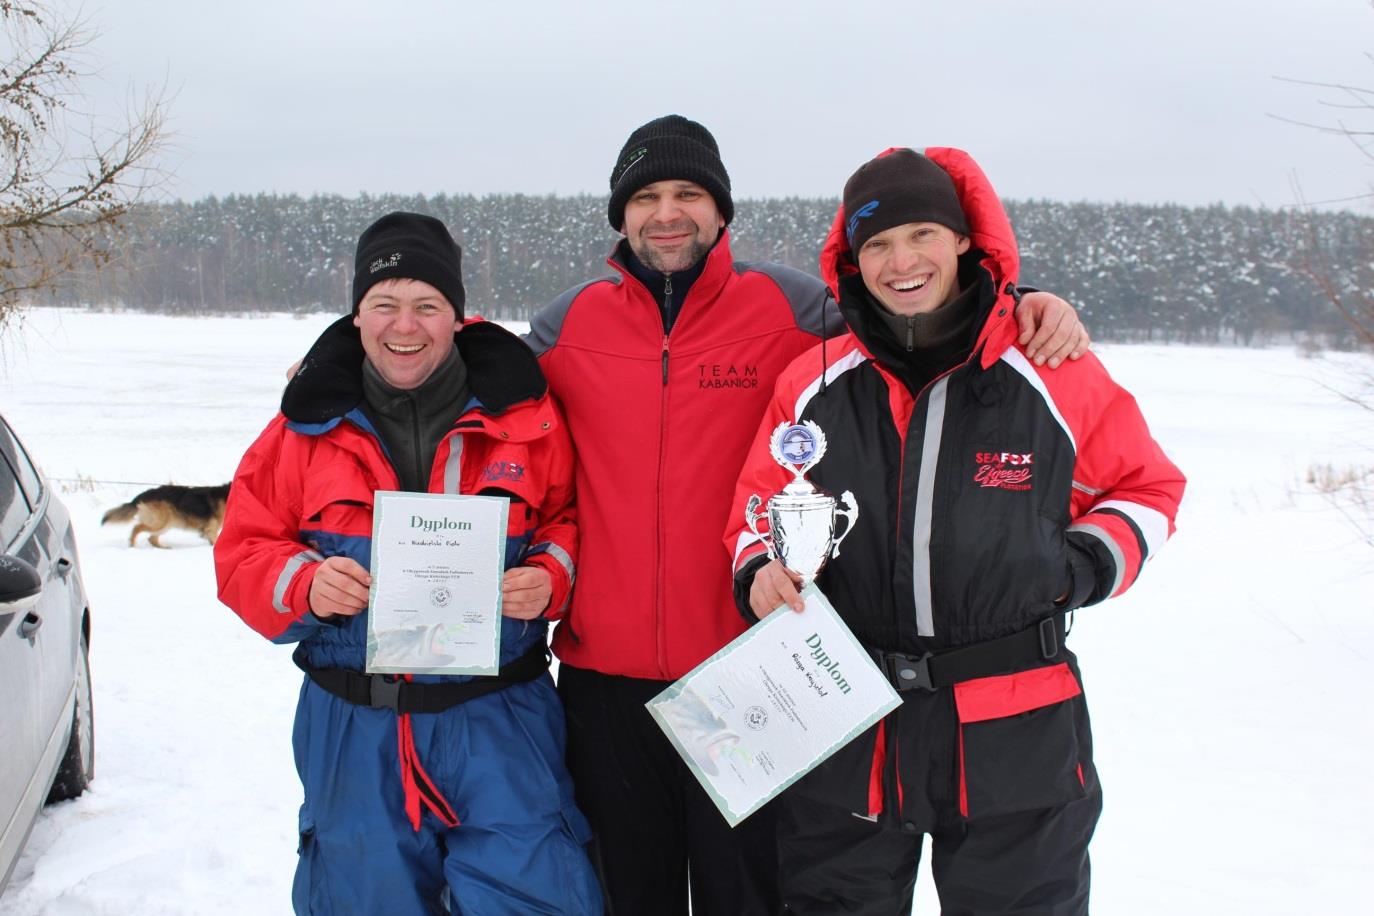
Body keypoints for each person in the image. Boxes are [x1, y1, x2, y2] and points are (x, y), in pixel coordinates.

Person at [526, 116, 1091, 916]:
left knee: (751, 897)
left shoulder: (797, 310)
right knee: (623, 896)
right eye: (646, 196)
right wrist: (344, 356)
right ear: (619, 214)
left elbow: (912, 316)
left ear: (722, 209)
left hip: (753, 670)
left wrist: (1023, 301)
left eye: (689, 192)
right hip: (605, 685)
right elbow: (474, 386)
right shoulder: (564, 324)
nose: (667, 212)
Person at [726, 148, 1187, 915]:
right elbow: (755, 508)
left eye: (921, 235)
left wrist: (1075, 567)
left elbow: (1148, 488)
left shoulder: (1050, 367)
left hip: (1014, 724)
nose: (900, 261)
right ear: (852, 259)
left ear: (965, 240)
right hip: (847, 717)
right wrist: (760, 570)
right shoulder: (814, 381)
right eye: (875, 244)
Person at [215, 212, 602, 916]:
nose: (406, 325)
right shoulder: (301, 432)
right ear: (357, 314)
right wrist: (304, 583)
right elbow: (242, 552)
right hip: (356, 726)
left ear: (456, 316)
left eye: (427, 305)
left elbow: (570, 521)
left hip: (499, 719)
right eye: (385, 304)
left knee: (532, 893)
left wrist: (549, 576)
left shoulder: (528, 418)